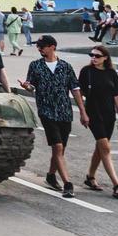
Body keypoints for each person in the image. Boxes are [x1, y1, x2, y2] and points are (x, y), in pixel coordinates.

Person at [20, 35, 84, 198]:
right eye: (38, 46)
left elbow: (75, 90)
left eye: (42, 46)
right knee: (58, 147)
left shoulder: (66, 66)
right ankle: (68, 184)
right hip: (46, 111)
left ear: (52, 47)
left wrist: (83, 112)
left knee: (61, 148)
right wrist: (27, 86)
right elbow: (31, 85)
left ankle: (50, 175)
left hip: (65, 111)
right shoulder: (35, 66)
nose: (39, 48)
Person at [77, 46, 118, 199]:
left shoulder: (111, 73)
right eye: (91, 55)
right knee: (105, 147)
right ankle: (117, 185)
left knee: (100, 148)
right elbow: (79, 92)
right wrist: (83, 112)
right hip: (93, 114)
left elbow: (116, 96)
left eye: (97, 56)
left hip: (109, 115)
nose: (93, 58)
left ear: (105, 57)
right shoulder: (86, 71)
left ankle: (90, 177)